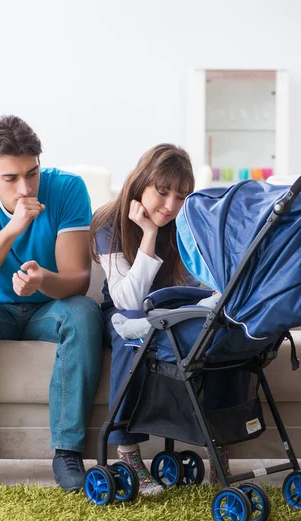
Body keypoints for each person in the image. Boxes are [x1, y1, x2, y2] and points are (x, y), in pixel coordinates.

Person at [0, 115, 104, 492]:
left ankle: (67, 451)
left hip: (49, 307)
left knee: (85, 313)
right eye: (11, 178)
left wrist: (44, 279)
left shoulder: (67, 188)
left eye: (32, 173)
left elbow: (78, 278)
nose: (26, 188)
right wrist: (13, 228)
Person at [90, 144, 229, 492]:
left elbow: (200, 282)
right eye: (162, 192)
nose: (170, 206)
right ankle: (128, 451)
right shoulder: (109, 224)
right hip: (122, 316)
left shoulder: (185, 225)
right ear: (141, 184)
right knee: (133, 325)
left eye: (181, 196)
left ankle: (219, 444)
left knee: (216, 330)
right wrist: (149, 235)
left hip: (170, 312)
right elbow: (128, 299)